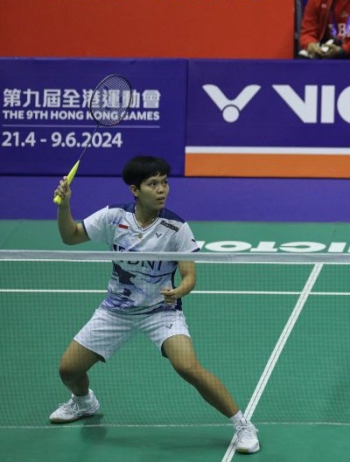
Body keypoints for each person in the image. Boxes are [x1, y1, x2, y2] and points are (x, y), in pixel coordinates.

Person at [49, 156, 260, 454]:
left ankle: (243, 425)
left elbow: (189, 276)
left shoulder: (176, 228)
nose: (162, 190)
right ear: (135, 190)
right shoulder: (113, 217)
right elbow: (70, 236)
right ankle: (84, 402)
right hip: (116, 310)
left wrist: (178, 290)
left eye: (164, 183)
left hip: (161, 310)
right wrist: (64, 206)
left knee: (187, 366)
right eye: (153, 184)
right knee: (68, 369)